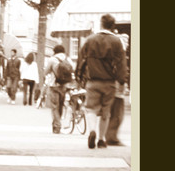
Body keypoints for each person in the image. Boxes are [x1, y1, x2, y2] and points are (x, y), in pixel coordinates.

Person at [76, 14, 128, 149]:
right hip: (109, 83)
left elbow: (81, 60)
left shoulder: (89, 40)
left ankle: (92, 130)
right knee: (106, 111)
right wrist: (122, 80)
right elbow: (122, 63)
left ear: (101, 24)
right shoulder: (117, 42)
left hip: (92, 81)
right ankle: (101, 139)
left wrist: (78, 77)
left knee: (91, 108)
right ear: (112, 26)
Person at [44, 44, 74, 134]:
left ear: (55, 51)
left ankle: (57, 126)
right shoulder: (68, 59)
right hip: (64, 86)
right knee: (60, 106)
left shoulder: (52, 59)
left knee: (54, 107)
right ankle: (56, 124)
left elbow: (46, 72)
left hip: (54, 85)